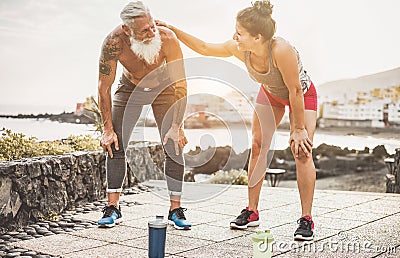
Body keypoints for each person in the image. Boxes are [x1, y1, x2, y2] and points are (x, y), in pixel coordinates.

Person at [157, 0, 317, 240]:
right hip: (271, 94)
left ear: (258, 37)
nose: (235, 37)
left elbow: (294, 90)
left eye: (240, 33)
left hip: (302, 95)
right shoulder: (239, 48)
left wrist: (298, 129)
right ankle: (252, 211)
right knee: (257, 145)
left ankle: (306, 219)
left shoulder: (281, 50)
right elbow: (203, 46)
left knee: (301, 151)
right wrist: (172, 29)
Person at [97, 1, 191, 230]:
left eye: (152, 26)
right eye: (144, 31)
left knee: (174, 144)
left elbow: (181, 85)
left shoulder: (167, 39)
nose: (152, 32)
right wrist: (107, 129)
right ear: (128, 31)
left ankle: (175, 209)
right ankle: (113, 208)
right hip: (130, 89)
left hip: (165, 89)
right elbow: (103, 88)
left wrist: (177, 125)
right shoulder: (114, 43)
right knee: (115, 143)